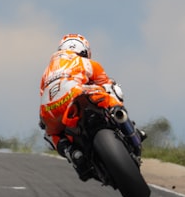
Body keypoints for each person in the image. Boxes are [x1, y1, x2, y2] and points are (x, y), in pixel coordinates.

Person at [38, 33, 137, 175]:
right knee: (112, 90)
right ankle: (123, 122)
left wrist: (45, 121)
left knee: (51, 134)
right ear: (84, 51)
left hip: (49, 111)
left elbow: (43, 95)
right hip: (76, 94)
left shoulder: (46, 72)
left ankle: (71, 152)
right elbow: (105, 83)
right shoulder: (84, 62)